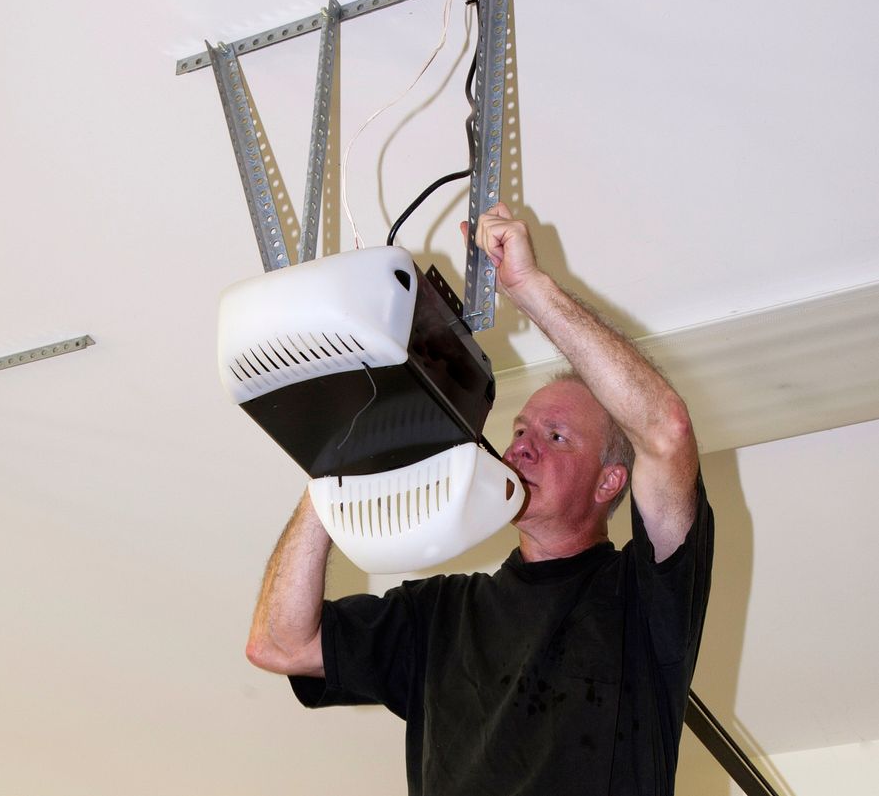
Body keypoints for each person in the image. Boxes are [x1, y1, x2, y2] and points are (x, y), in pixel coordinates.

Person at [246, 203, 714, 795]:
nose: (521, 448)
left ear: (608, 482)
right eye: (520, 431)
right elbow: (280, 643)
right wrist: (336, 456)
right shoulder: (439, 617)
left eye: (556, 437)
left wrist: (530, 289)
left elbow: (666, 432)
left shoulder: (644, 597)